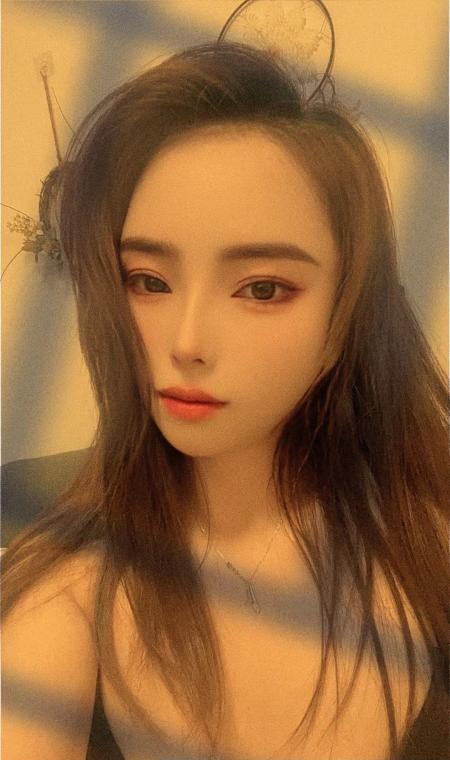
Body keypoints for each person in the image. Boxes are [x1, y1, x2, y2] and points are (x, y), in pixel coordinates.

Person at [1, 40, 448, 760]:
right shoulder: (65, 596)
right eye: (148, 281)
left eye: (262, 289)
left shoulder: (426, 541)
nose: (187, 342)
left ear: (345, 318)